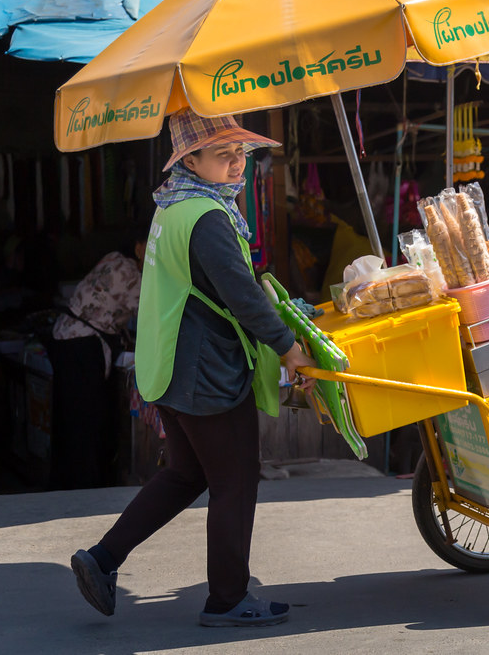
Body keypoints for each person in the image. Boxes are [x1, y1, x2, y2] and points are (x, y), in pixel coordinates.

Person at [70, 108, 316, 627]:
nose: (236, 165)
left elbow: (219, 285)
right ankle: (227, 599)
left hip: (173, 367)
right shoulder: (205, 217)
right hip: (206, 373)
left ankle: (102, 559)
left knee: (186, 474)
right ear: (191, 159)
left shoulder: (174, 205)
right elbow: (241, 296)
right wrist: (288, 345)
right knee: (235, 481)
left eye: (241, 153)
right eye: (223, 154)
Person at [47, 237, 146, 489]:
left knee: (69, 417)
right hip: (83, 344)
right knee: (86, 420)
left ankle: (65, 482)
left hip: (64, 336)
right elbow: (150, 314)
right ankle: (85, 485)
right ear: (137, 247)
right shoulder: (131, 273)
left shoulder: (113, 256)